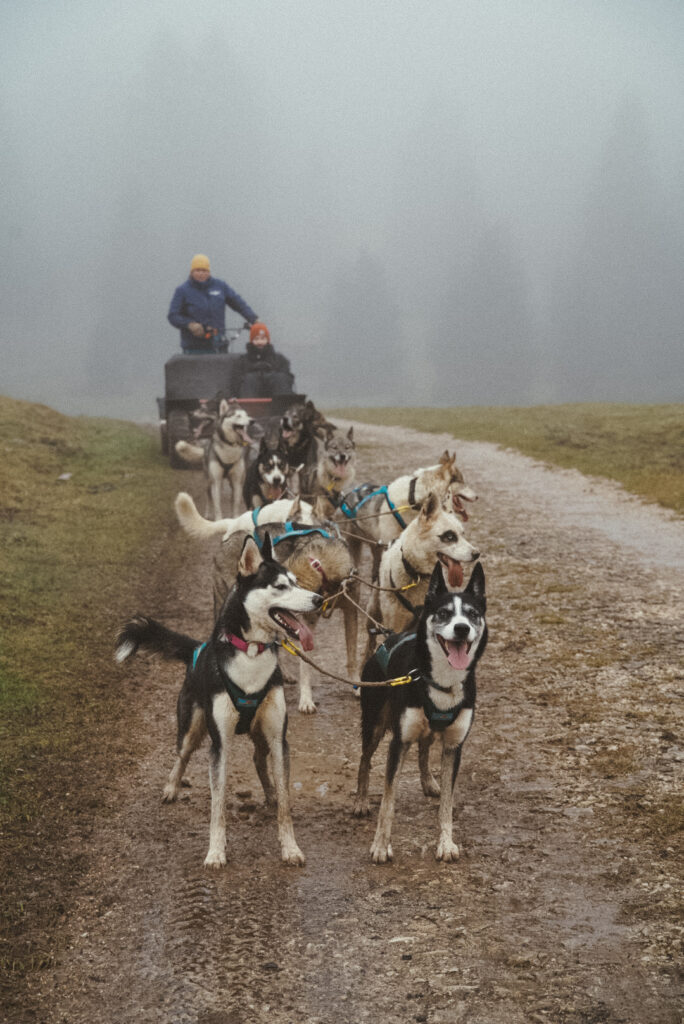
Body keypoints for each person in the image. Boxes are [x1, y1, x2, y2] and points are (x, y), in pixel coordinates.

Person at [168, 254, 259, 353]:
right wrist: (190, 324)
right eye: (197, 270)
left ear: (209, 272)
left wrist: (254, 320)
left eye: (204, 270)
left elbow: (238, 303)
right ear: (192, 272)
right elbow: (173, 316)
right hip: (194, 347)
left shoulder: (220, 286)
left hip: (219, 344)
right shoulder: (182, 290)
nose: (201, 274)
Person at [233, 323, 295, 398]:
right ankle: (249, 406)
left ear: (267, 340)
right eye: (256, 339)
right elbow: (236, 382)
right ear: (251, 341)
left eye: (263, 339)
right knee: (249, 379)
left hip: (276, 399)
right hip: (251, 400)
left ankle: (283, 405)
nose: (260, 342)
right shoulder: (242, 361)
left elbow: (288, 380)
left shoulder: (280, 359)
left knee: (280, 377)